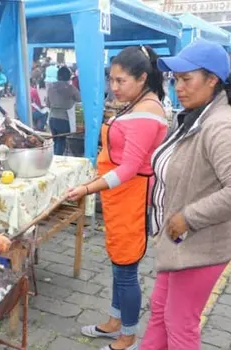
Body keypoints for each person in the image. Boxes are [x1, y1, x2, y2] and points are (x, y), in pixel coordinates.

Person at [67, 45, 168, 350]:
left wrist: (87, 188)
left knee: (126, 270)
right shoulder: (138, 103)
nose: (114, 87)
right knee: (117, 262)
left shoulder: (148, 113)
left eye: (121, 80)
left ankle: (128, 335)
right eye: (111, 79)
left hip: (131, 197)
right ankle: (114, 320)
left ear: (142, 78)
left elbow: (128, 169)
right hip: (118, 196)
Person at [139, 39, 231, 350]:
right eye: (175, 79)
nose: (179, 87)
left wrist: (187, 217)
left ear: (212, 79)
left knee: (180, 327)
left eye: (187, 78)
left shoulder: (220, 126)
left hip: (200, 245)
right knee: (160, 312)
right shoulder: (196, 115)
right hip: (179, 243)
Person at [47, 67, 81, 155]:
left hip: (52, 118)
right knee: (61, 143)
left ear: (58, 76)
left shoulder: (51, 87)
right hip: (64, 119)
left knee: (55, 142)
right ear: (69, 77)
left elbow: (48, 104)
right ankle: (57, 162)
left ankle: (53, 160)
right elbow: (79, 99)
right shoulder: (71, 88)